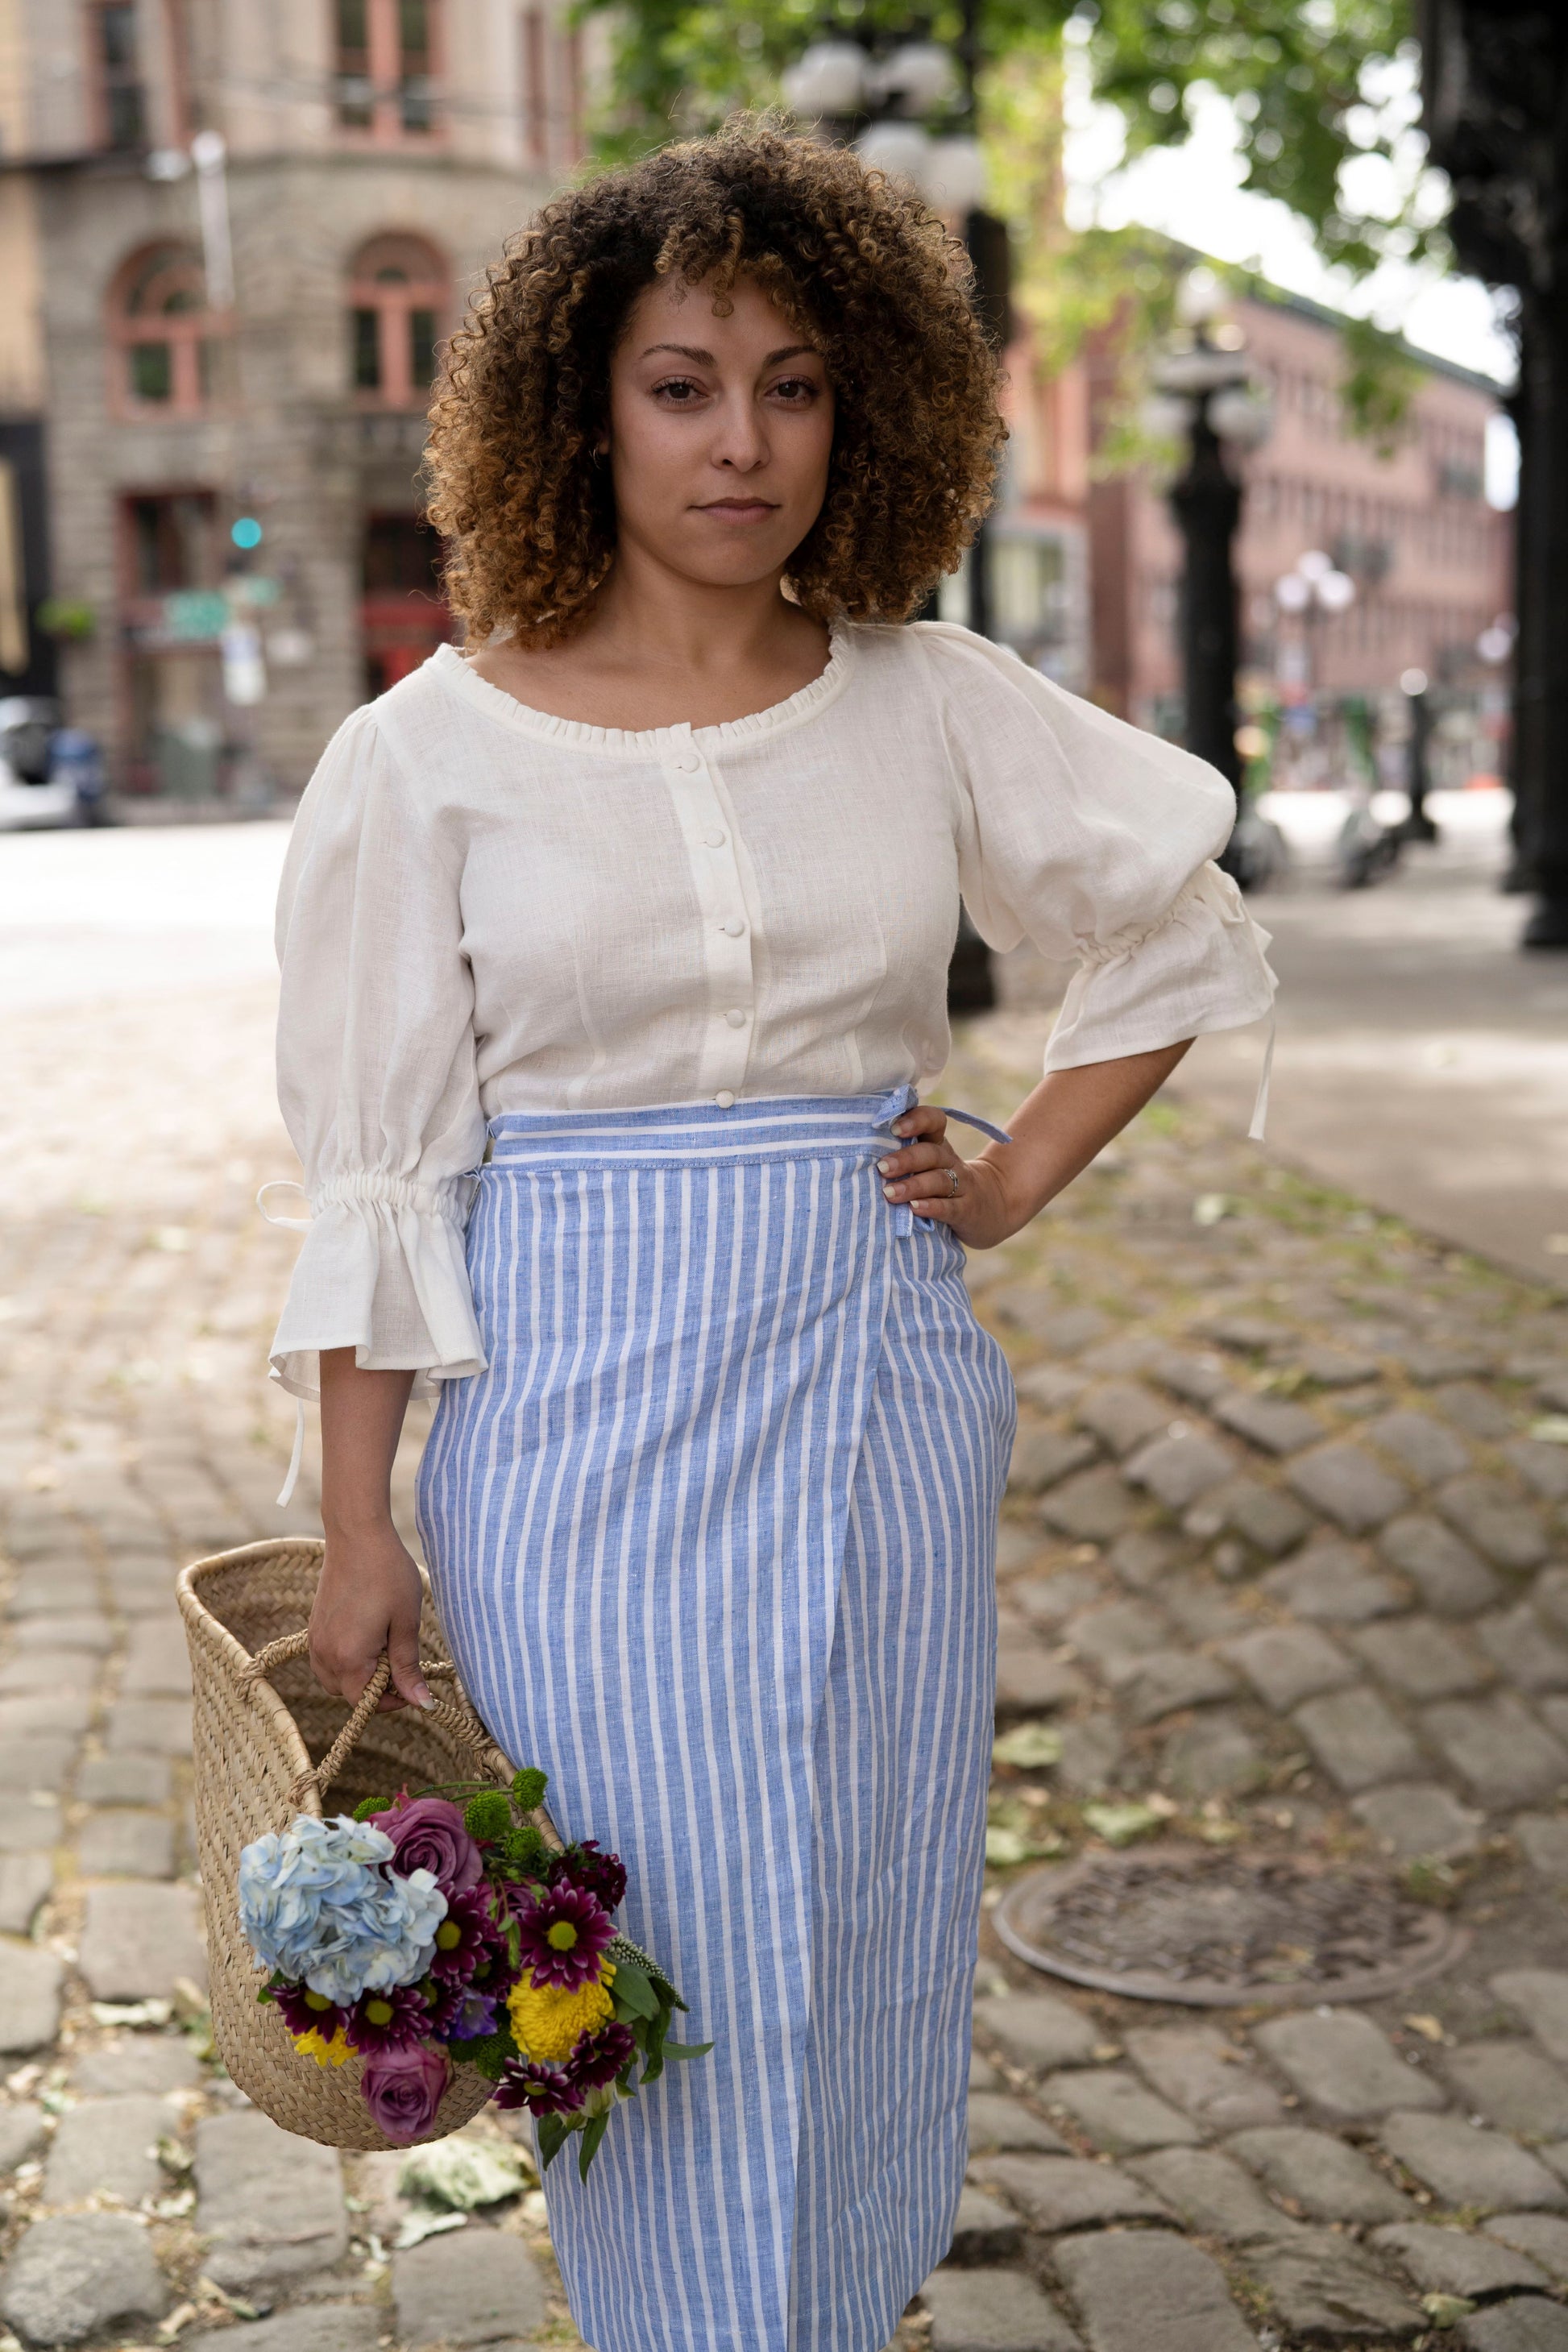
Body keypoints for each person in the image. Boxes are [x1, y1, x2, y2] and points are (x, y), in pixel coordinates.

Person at [269, 127, 1275, 2352]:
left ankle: (826, 2304)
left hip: (874, 1394)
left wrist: (1010, 1179)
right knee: (640, 1950)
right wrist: (360, 1526)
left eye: (794, 383)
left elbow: (1176, 934)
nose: (743, 441)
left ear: (869, 407)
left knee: (859, 1902)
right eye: (682, 383)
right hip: (569, 1427)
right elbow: (378, 1172)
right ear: (581, 409)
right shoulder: (423, 757)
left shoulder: (921, 696)